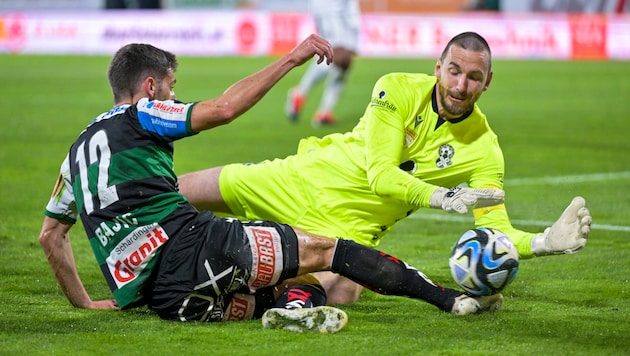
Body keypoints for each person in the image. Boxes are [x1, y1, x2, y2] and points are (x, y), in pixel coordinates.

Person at [38, 34, 503, 335]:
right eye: (172, 86)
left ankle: (295, 308)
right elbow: (221, 110)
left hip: (162, 298)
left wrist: (87, 303)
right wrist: (292, 58)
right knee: (327, 251)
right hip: (192, 247)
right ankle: (451, 301)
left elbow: (51, 235)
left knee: (287, 286)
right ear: (150, 85)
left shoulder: (73, 155)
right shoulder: (144, 111)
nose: (174, 94)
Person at [178, 31, 593, 305]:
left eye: (473, 77)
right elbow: (380, 173)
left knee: (344, 290)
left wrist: (541, 243)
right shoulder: (395, 87)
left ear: (487, 82)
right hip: (301, 179)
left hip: (348, 229)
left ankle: (274, 298)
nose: (460, 86)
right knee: (174, 191)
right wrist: (439, 196)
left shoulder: (485, 149)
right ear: (438, 67)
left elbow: (495, 228)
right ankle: (119, 223)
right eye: (453, 71)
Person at [285, 0, 361, 126]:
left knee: (342, 64)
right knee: (337, 58)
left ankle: (319, 108)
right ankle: (309, 100)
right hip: (335, 22)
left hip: (340, 21)